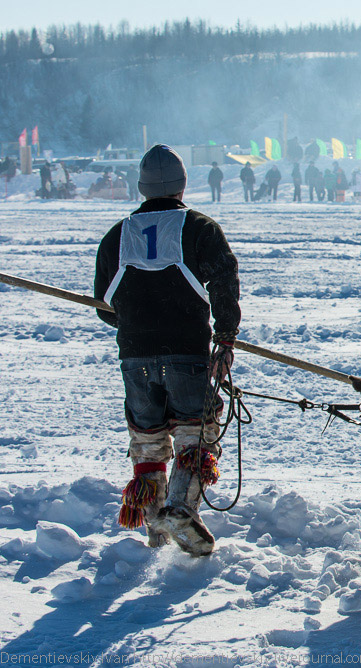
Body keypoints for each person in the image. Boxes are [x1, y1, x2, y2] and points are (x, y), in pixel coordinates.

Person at [94, 144, 240, 557]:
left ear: (141, 187)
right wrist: (225, 340)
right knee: (197, 434)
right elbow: (225, 285)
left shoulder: (117, 236)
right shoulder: (200, 228)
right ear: (182, 185)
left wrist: (138, 322)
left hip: (135, 357)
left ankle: (156, 528)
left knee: (148, 440)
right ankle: (179, 509)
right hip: (188, 355)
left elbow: (105, 305)